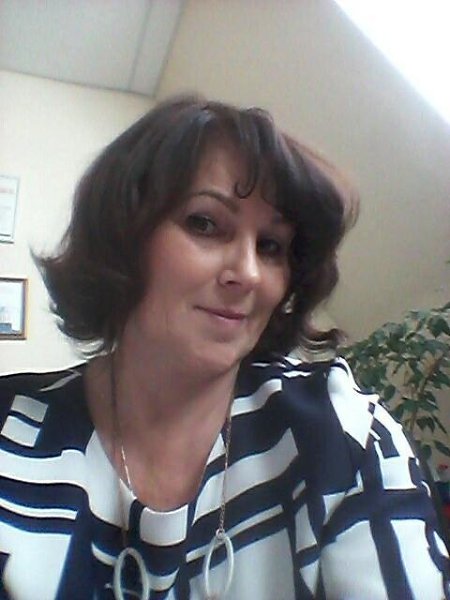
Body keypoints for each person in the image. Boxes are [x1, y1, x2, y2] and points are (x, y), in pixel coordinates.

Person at [0, 95, 448, 600]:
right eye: (206, 224)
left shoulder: (341, 436)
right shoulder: (11, 434)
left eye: (271, 246)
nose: (248, 273)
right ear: (123, 238)